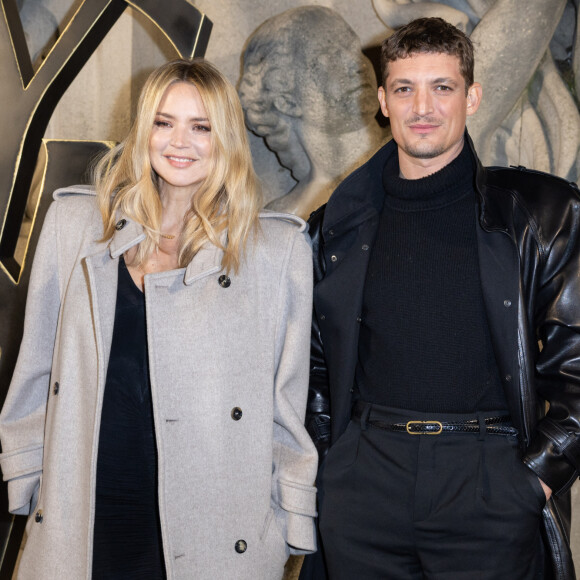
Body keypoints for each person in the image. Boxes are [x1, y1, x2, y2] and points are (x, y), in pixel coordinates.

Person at [0, 58, 318, 580]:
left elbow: (287, 404)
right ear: (143, 129)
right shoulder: (76, 225)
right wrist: (30, 477)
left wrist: (289, 522)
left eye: (201, 126)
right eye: (164, 122)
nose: (180, 142)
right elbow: (37, 369)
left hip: (215, 524)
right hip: (81, 514)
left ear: (226, 138)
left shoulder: (275, 249)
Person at [301, 17, 580, 580]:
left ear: (472, 96)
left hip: (488, 481)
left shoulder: (541, 215)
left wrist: (534, 480)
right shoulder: (336, 226)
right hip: (364, 486)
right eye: (405, 88)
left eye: (442, 87)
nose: (422, 106)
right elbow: (312, 365)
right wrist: (330, 469)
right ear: (382, 100)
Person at [239, 6, 386, 219]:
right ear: (286, 100)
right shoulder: (288, 221)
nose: (356, 63)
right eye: (329, 55)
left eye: (355, 48)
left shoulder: (418, 155)